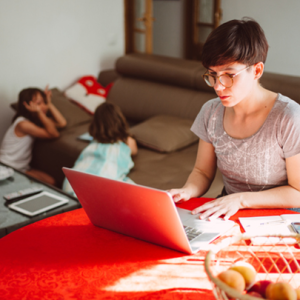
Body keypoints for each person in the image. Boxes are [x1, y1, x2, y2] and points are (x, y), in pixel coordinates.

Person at [169, 17, 300, 220]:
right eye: (212, 75)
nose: (218, 86)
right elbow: (202, 172)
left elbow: (298, 193)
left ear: (256, 70)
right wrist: (187, 191)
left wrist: (240, 199)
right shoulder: (211, 112)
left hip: (281, 218)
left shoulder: (288, 117)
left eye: (228, 75)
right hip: (230, 211)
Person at [62, 102, 138, 196]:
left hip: (71, 185)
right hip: (99, 188)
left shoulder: (95, 141)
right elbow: (134, 151)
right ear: (120, 120)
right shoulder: (126, 141)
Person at [0, 86, 67, 185]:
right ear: (27, 105)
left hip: (22, 167)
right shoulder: (23, 124)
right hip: (8, 166)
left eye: (44, 102)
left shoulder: (37, 121)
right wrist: (40, 112)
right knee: (48, 183)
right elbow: (54, 134)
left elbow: (62, 123)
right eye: (39, 103)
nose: (44, 106)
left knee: (51, 182)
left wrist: (50, 104)